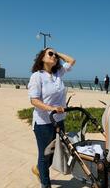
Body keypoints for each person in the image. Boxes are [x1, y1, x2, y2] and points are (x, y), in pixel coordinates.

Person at [28, 47, 76, 188]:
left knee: (56, 153)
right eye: (50, 54)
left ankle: (38, 169)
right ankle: (45, 184)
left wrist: (56, 52)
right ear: (42, 57)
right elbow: (34, 100)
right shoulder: (37, 76)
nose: (54, 56)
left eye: (55, 55)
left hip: (59, 121)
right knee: (45, 155)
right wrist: (52, 109)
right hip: (43, 123)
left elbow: (72, 61)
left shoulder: (58, 73)